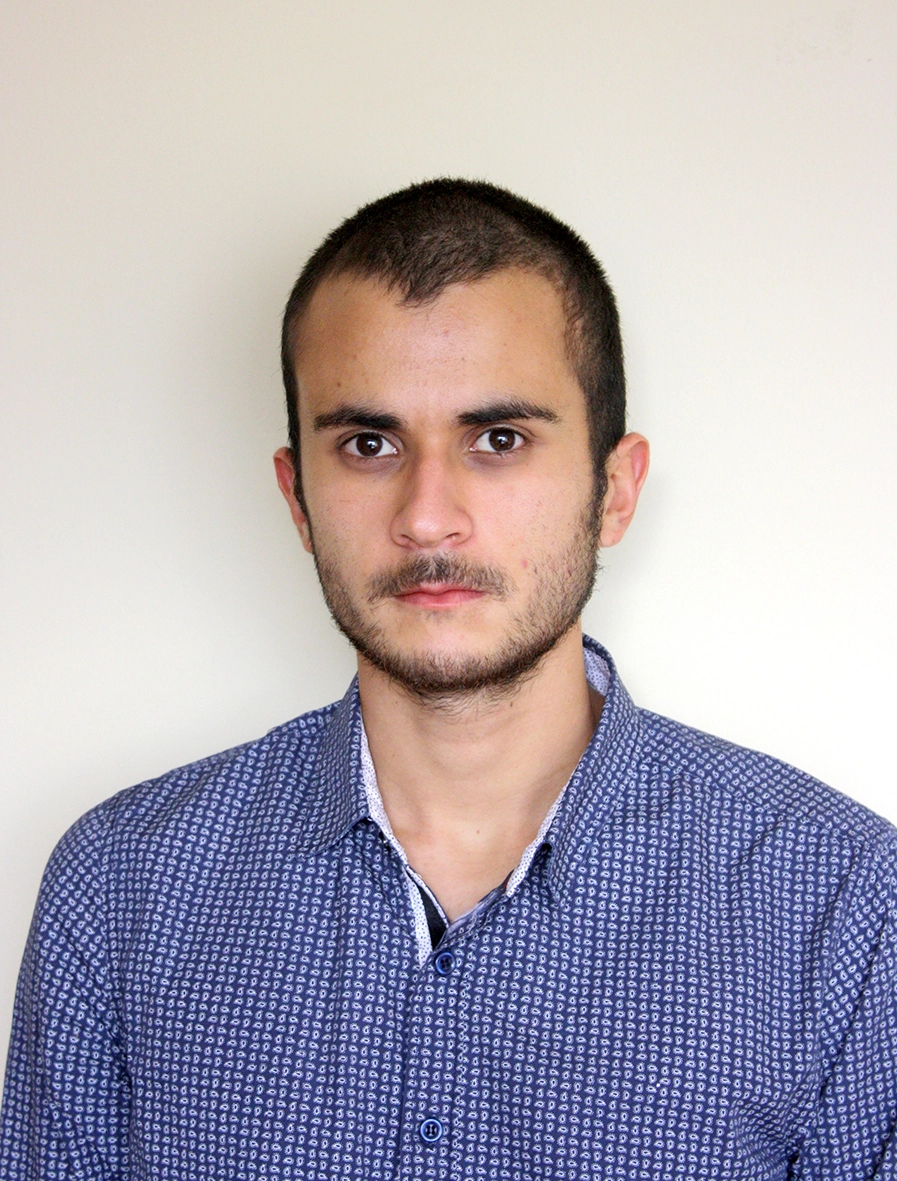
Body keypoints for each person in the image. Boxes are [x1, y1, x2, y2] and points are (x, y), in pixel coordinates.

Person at [1, 179, 895, 1180]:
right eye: (369, 444)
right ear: (298, 499)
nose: (427, 515)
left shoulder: (843, 901)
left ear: (614, 489)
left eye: (498, 439)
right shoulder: (121, 884)